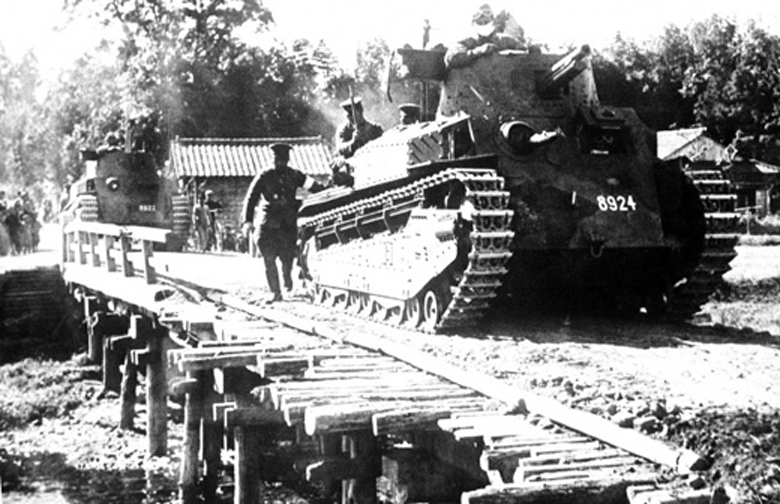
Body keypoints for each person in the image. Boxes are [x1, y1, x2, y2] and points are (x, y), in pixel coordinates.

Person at [242, 143, 326, 304]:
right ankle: (276, 292)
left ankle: (287, 284)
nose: (280, 162)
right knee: (269, 258)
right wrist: (247, 221)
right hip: (268, 224)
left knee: (287, 258)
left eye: (283, 160)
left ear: (287, 160)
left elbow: (314, 187)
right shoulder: (264, 176)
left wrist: (327, 190)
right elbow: (251, 198)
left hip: (287, 224)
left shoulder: (295, 175)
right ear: (273, 159)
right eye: (277, 160)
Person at [444, 3, 525, 69]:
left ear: (492, 21)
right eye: (480, 23)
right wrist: (477, 52)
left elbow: (524, 51)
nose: (483, 25)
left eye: (486, 22)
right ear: (473, 24)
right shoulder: (467, 43)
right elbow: (451, 58)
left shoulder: (506, 41)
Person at [331, 97, 384, 186]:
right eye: (348, 116)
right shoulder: (344, 129)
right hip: (351, 168)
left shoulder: (375, 129)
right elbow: (340, 149)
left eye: (353, 115)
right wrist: (353, 141)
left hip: (372, 165)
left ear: (360, 112)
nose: (351, 118)